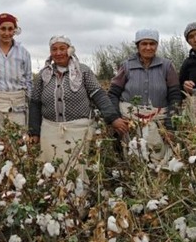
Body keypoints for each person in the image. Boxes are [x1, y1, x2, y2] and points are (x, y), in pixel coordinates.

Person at [28, 36, 128, 182]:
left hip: (78, 130)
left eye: (62, 48)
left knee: (76, 169)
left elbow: (98, 95)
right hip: (50, 130)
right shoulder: (44, 74)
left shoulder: (83, 71)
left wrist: (113, 118)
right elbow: (35, 103)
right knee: (51, 167)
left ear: (70, 50)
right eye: (54, 49)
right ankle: (55, 200)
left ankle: (78, 200)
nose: (58, 53)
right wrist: (34, 131)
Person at [108, 29, 181, 163]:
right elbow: (113, 94)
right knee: (133, 158)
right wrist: (115, 118)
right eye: (144, 44)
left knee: (158, 157)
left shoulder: (166, 66)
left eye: (152, 44)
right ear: (138, 46)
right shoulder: (127, 66)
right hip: (130, 121)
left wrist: (170, 126)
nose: (148, 47)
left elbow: (175, 96)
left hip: (158, 121)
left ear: (157, 45)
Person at [0, 13, 32, 152]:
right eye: (3, 29)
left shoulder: (23, 53)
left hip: (17, 105)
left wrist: (31, 106)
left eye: (10, 29)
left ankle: (14, 171)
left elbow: (28, 81)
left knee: (17, 142)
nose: (7, 33)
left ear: (15, 30)